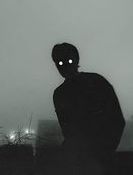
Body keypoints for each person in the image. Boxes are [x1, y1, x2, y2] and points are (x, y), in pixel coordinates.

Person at [52, 43, 125, 175]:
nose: (65, 66)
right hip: (77, 158)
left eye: (68, 61)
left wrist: (104, 151)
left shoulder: (96, 83)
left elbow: (117, 119)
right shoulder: (60, 94)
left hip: (96, 156)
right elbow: (67, 129)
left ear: (76, 60)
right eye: (60, 63)